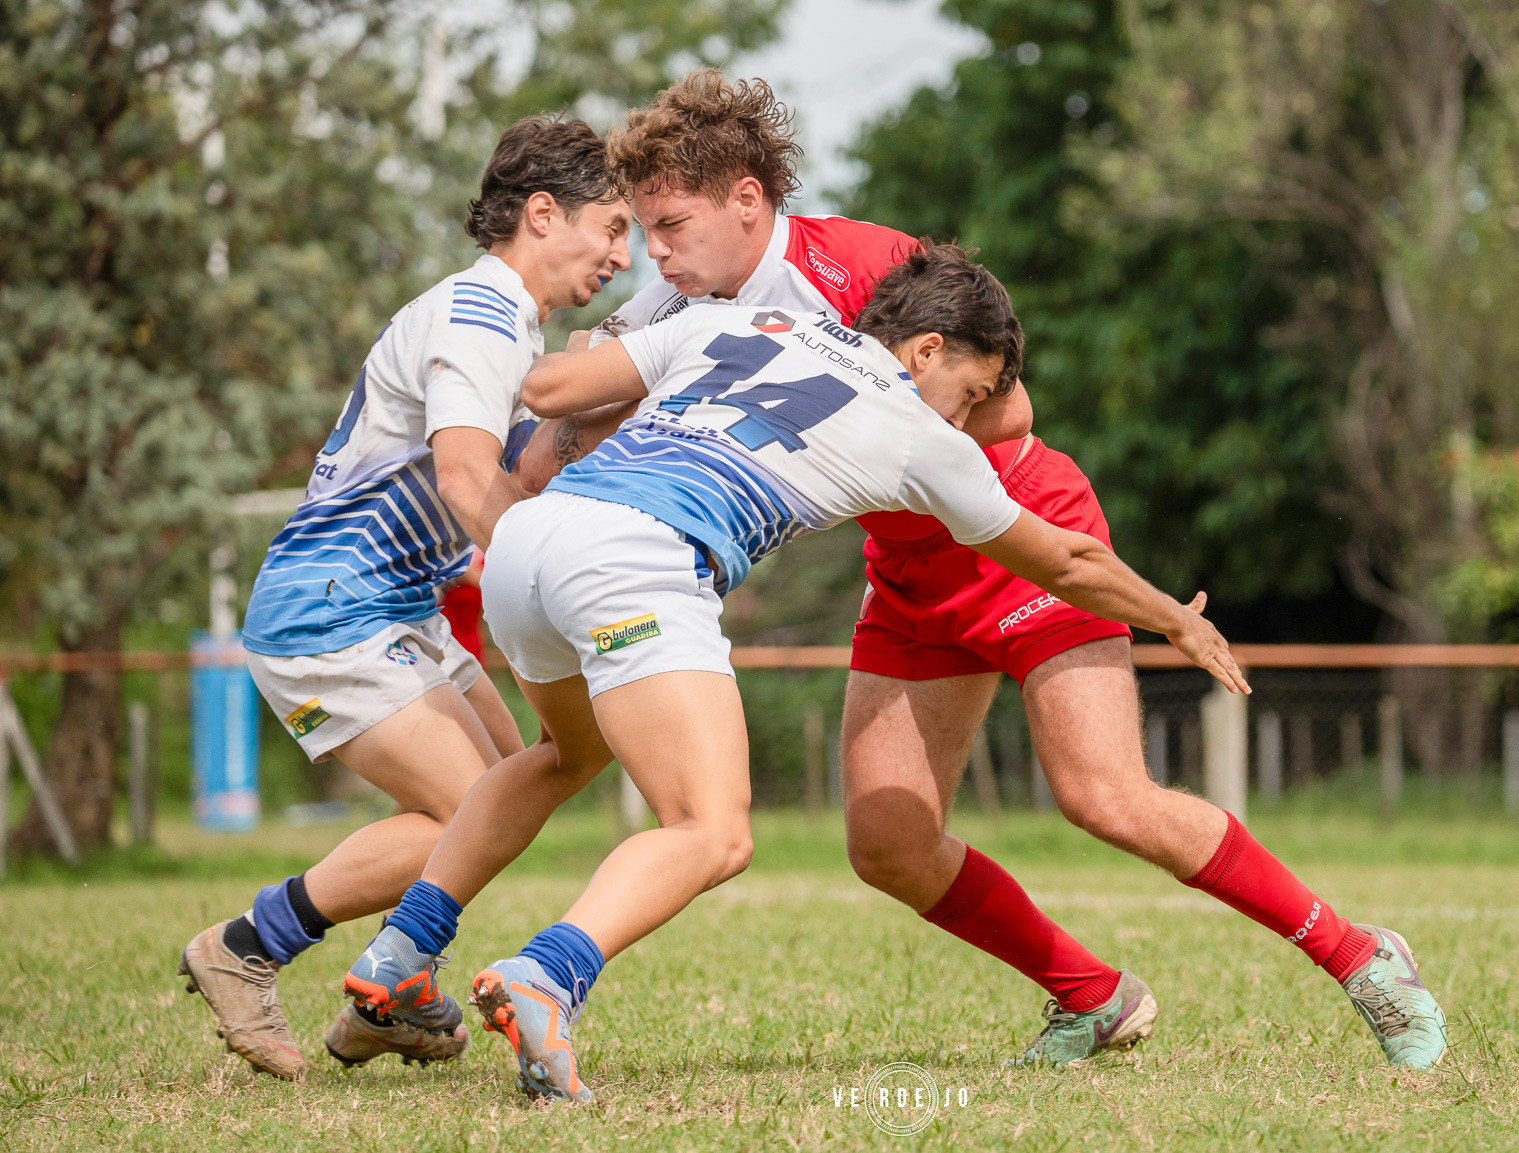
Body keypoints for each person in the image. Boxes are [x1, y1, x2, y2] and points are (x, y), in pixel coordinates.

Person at [514, 71, 1449, 1072]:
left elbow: (1004, 408)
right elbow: (572, 411)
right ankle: (1093, 997)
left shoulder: (861, 266)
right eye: (644, 231)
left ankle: (1363, 959)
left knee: (1104, 796)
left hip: (1024, 534)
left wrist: (884, 426)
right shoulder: (685, 300)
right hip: (910, 569)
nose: (651, 254)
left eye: (671, 225)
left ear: (747, 200)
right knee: (887, 846)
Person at [341, 242, 1250, 1105]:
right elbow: (1063, 561)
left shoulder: (743, 321)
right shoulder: (917, 435)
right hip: (639, 557)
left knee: (559, 755)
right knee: (711, 832)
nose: (966, 419)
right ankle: (547, 976)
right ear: (926, 348)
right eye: (969, 392)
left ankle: (401, 951)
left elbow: (547, 387)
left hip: (529, 543)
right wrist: (1172, 615)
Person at [177, 116, 632, 1081]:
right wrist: (563, 590)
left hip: (396, 604)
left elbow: (519, 472)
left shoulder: (514, 326)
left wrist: (594, 408)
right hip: (330, 604)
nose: (624, 254)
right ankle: (246, 947)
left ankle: (396, 990)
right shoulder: (479, 313)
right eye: (614, 225)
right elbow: (470, 484)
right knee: (470, 808)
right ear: (543, 214)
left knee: (520, 783)